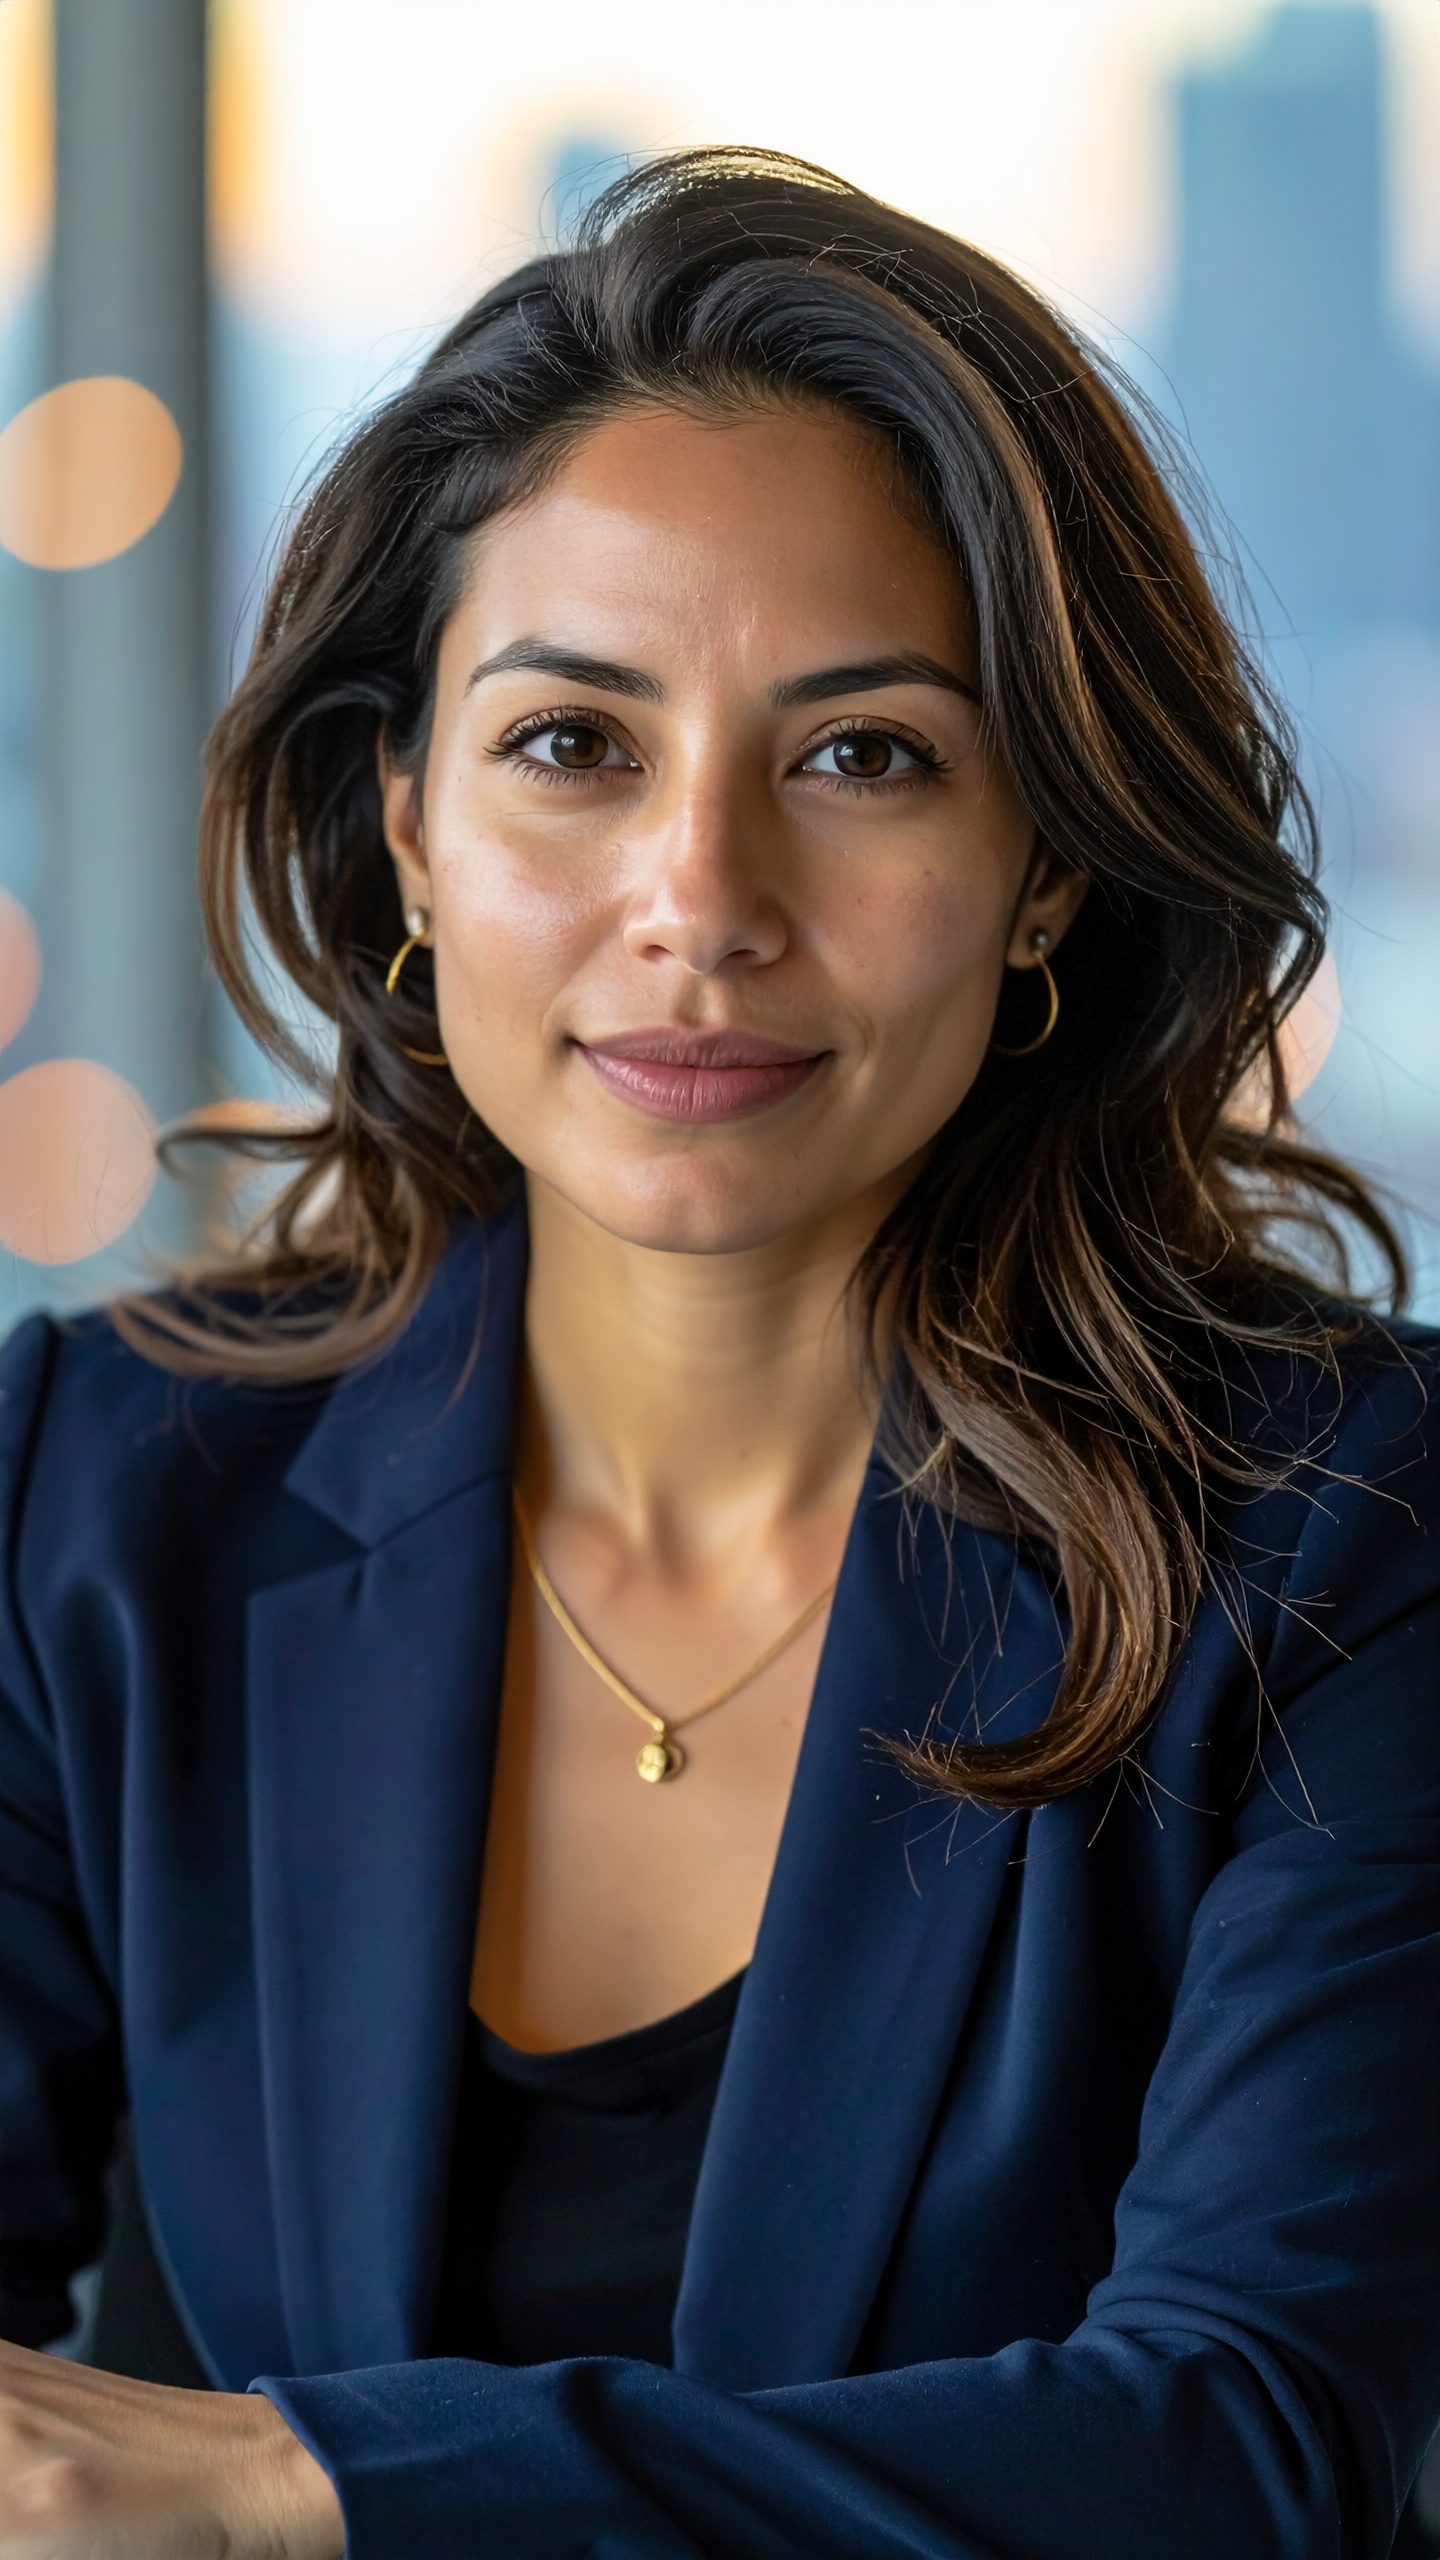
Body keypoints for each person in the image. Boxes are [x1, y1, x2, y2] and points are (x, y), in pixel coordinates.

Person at [1, 147, 1435, 2560]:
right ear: (408, 824)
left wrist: (296, 2485)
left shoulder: (1343, 1535)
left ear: (1047, 862)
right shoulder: (97, 1489)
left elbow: (1242, 2449)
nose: (703, 900)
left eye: (864, 752)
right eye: (575, 742)